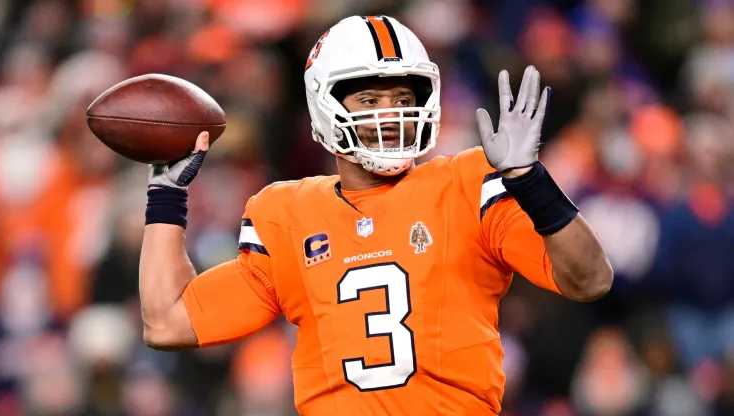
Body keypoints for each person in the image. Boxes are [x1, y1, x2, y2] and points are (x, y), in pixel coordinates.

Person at [139, 15, 613, 415]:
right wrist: (165, 198)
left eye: (403, 100)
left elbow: (589, 279)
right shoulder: (285, 214)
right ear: (324, 106)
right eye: (370, 101)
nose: (391, 115)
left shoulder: (469, 184)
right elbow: (168, 322)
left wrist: (530, 180)